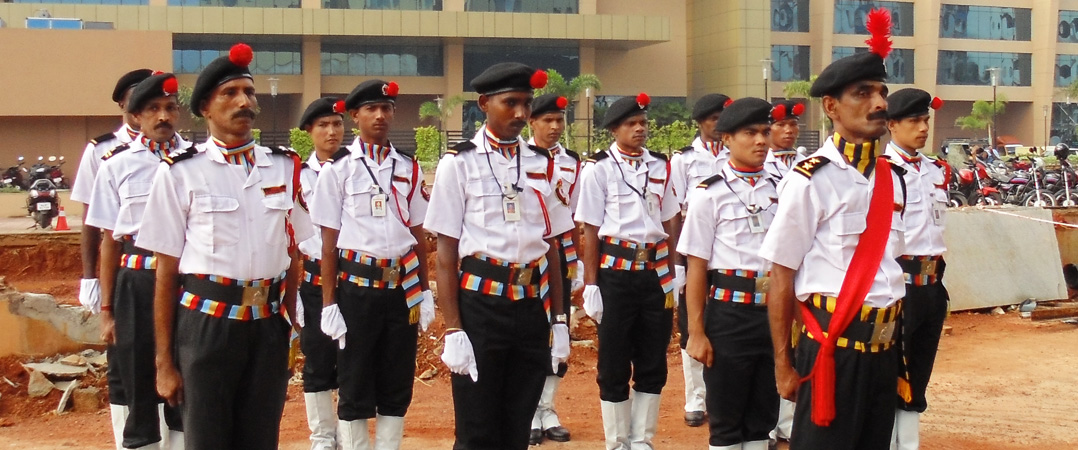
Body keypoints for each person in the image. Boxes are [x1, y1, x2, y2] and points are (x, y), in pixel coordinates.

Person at [136, 43, 313, 450]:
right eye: (229, 93)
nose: (243, 102)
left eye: (248, 92)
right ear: (205, 108)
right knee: (208, 438)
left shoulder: (283, 166)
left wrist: (291, 325)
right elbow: (165, 272)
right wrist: (164, 362)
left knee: (260, 437)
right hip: (207, 326)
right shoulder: (180, 173)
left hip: (267, 325)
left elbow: (293, 254)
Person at [759, 8, 906, 450]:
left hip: (884, 350)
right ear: (831, 107)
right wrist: (783, 363)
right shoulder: (810, 179)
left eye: (882, 92)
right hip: (833, 351)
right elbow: (781, 274)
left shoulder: (892, 176)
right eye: (863, 93)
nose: (879, 104)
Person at [424, 62, 572, 450]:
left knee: (517, 426)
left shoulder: (541, 163)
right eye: (510, 103)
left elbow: (552, 246)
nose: (521, 113)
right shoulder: (459, 163)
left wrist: (559, 319)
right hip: (481, 307)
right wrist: (454, 329)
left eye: (526, 104)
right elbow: (445, 254)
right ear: (484, 104)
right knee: (477, 429)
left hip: (531, 306)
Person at [312, 79, 435, 450]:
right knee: (355, 377)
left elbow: (418, 234)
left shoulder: (408, 167)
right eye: (371, 109)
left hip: (401, 289)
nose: (380, 115)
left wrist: (425, 291)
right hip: (357, 289)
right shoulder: (338, 170)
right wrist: (329, 303)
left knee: (397, 378)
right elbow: (328, 245)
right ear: (355, 116)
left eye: (386, 108)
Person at [86, 72, 186, 450]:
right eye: (153, 109)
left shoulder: (194, 161)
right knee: (137, 381)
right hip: (137, 283)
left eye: (170, 108)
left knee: (185, 381)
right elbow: (109, 242)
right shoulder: (116, 165)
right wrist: (106, 310)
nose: (163, 116)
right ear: (136, 116)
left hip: (184, 284)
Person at [577, 92, 682, 450]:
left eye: (643, 123)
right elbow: (591, 230)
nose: (640, 129)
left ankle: (642, 438)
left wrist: (675, 269)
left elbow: (669, 220)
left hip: (654, 272)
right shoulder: (599, 168)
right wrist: (591, 284)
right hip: (616, 274)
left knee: (653, 358)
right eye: (631, 124)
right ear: (614, 129)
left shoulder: (660, 166)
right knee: (614, 360)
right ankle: (617, 440)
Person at [681, 97, 782, 450]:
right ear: (726, 138)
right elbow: (696, 266)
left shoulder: (782, 188)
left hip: (773, 312)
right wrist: (696, 331)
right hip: (729, 315)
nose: (761, 141)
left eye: (765, 132)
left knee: (762, 418)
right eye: (750, 133)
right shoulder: (708, 194)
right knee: (725, 419)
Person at [70, 68, 152, 450]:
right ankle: (127, 440)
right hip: (124, 270)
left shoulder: (179, 150)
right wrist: (91, 278)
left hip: (173, 270)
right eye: (139, 97)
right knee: (125, 358)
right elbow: (92, 220)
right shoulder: (102, 151)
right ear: (124, 105)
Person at [883, 88, 949, 450]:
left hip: (932, 282)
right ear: (892, 125)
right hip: (899, 283)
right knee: (893, 368)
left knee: (920, 366)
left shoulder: (934, 169)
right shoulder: (882, 171)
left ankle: (908, 442)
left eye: (925, 120)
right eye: (914, 121)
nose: (923, 128)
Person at [669, 93, 732, 428]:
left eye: (723, 118)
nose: (719, 125)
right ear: (700, 122)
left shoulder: (733, 153)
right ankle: (695, 398)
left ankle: (721, 395)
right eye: (713, 119)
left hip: (726, 250)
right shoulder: (684, 160)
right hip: (694, 248)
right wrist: (678, 262)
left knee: (722, 319)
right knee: (691, 321)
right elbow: (675, 211)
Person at [526, 93, 580, 445]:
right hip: (530, 257)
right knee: (532, 334)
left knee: (558, 333)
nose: (555, 126)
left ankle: (548, 407)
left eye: (559, 120)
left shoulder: (572, 162)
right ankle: (529, 411)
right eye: (547, 120)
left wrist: (578, 264)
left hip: (560, 257)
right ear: (532, 122)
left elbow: (571, 217)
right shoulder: (522, 159)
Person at [294, 97, 346, 450]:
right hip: (314, 280)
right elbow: (289, 233)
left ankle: (348, 432)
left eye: (337, 124)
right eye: (323, 125)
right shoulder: (298, 176)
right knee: (317, 359)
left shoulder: (357, 168)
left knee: (351, 360)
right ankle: (322, 437)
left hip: (353, 277)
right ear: (309, 131)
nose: (331, 132)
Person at [765, 100, 805, 179]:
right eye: (781, 125)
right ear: (767, 129)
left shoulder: (807, 162)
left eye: (793, 124)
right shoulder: (758, 164)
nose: (789, 130)